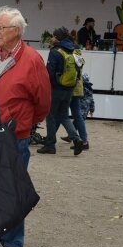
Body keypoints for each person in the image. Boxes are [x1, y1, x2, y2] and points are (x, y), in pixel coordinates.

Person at [0, 6, 51, 247]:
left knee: (11, 189)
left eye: (1, 27)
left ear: (16, 31)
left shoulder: (31, 60)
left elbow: (43, 101)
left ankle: (12, 241)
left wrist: (26, 123)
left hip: (13, 137)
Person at [37, 27, 85, 156]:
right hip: (69, 88)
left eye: (53, 36)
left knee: (51, 116)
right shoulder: (73, 49)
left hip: (56, 89)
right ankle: (77, 139)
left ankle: (50, 145)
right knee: (63, 115)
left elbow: (49, 74)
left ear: (57, 38)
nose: (52, 38)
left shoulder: (55, 51)